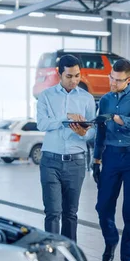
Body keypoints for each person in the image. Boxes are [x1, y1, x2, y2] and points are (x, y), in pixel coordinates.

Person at [92, 58, 130, 261]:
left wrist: (119, 119)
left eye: (118, 80)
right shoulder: (105, 100)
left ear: (129, 79)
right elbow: (100, 132)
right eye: (111, 78)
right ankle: (111, 241)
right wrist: (96, 159)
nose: (113, 83)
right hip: (111, 157)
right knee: (103, 206)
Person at [36, 54, 95, 242]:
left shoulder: (87, 98)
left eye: (77, 75)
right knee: (53, 212)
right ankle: (52, 255)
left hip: (76, 162)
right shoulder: (45, 96)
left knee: (70, 213)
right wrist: (65, 118)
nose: (74, 80)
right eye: (69, 76)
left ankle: (69, 255)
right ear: (59, 74)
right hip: (50, 161)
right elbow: (42, 124)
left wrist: (83, 133)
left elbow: (92, 132)